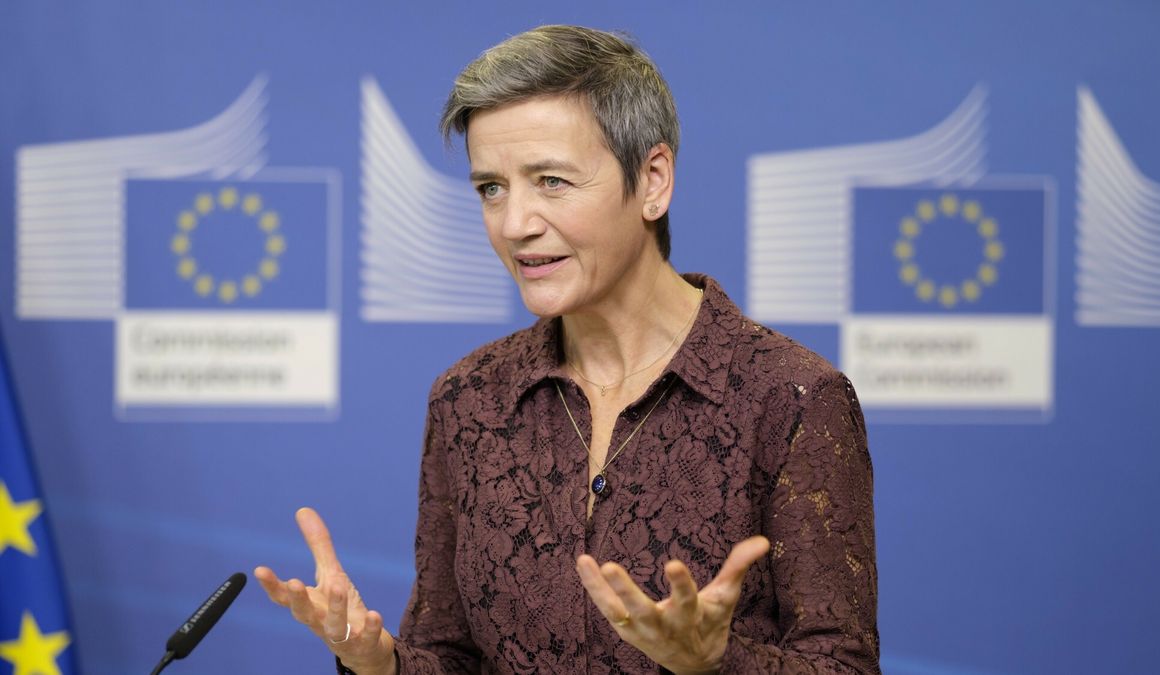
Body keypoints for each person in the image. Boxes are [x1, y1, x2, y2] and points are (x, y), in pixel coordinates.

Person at [255, 25, 878, 674]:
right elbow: (452, 655)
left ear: (654, 179)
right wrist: (381, 664)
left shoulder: (792, 398)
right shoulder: (468, 400)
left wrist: (717, 661)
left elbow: (844, 665)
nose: (515, 223)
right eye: (490, 187)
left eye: (551, 181)